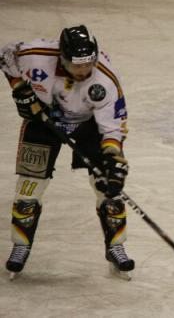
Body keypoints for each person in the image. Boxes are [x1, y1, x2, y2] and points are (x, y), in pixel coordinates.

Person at [0, 25, 133, 278]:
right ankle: (21, 245)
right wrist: (20, 89)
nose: (84, 71)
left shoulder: (105, 79)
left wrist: (113, 159)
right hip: (43, 120)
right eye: (77, 65)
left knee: (108, 187)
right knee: (29, 185)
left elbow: (113, 128)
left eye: (88, 64)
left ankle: (116, 246)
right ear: (61, 57)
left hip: (88, 125)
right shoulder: (35, 54)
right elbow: (5, 56)